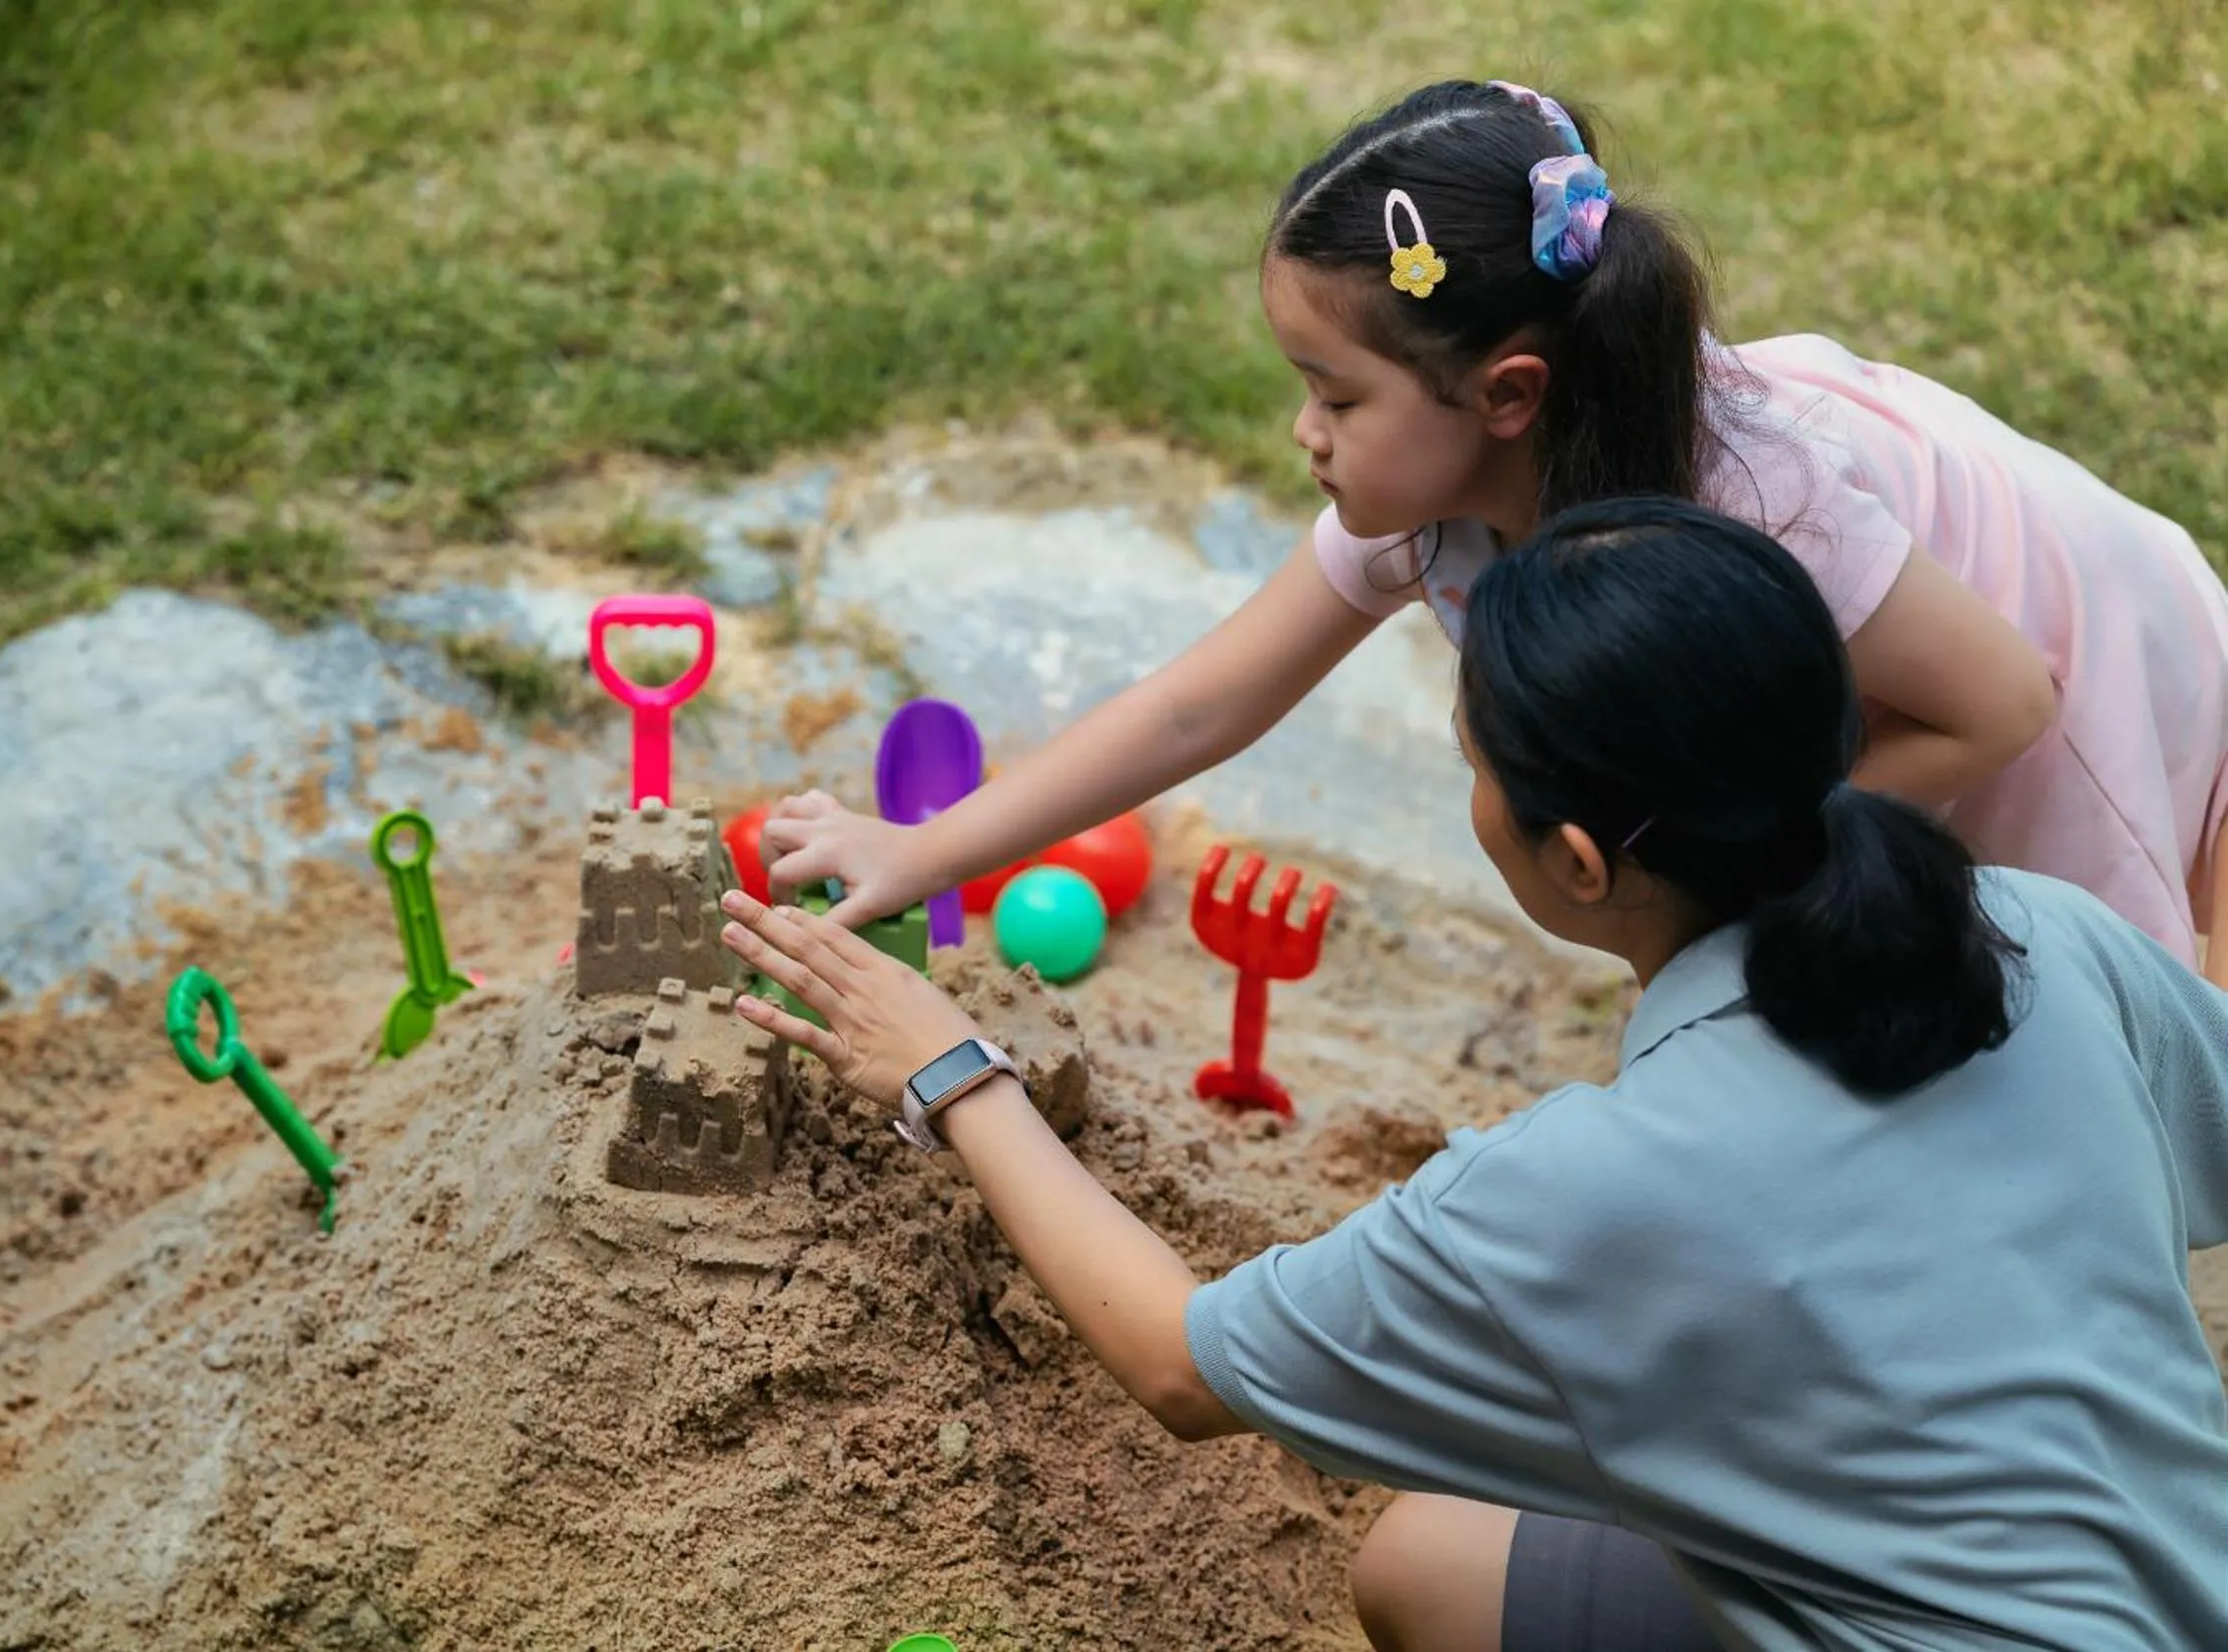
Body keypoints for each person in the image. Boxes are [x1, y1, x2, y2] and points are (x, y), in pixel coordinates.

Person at [717, 498, 2228, 1652]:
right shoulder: (2041, 933)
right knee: (1426, 1564)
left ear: (1575, 861)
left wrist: (950, 1071)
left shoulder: (1596, 1185)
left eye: (1472, 764)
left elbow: (1181, 1363)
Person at [762, 78, 2228, 983]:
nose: (1303, 435)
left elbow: (2002, 708)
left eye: (1334, 394)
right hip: (1882, 683)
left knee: (2057, 1032)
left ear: (1506, 392)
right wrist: (930, 847)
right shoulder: (1436, 500)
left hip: (2058, 653)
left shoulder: (1752, 505)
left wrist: (1724, 896)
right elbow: (1206, 698)